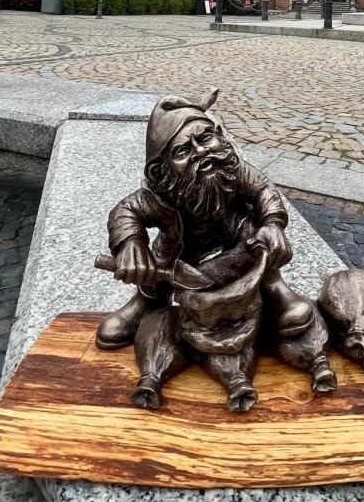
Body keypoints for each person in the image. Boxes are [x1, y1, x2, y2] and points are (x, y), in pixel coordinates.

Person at [96, 88, 314, 353]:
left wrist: (272, 223)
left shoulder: (233, 169)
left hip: (238, 248)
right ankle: (145, 301)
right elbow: (125, 211)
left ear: (220, 136)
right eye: (183, 151)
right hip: (180, 259)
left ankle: (273, 286)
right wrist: (130, 243)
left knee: (259, 241)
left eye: (205, 138)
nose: (199, 151)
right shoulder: (162, 194)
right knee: (156, 273)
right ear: (162, 170)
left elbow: (263, 190)